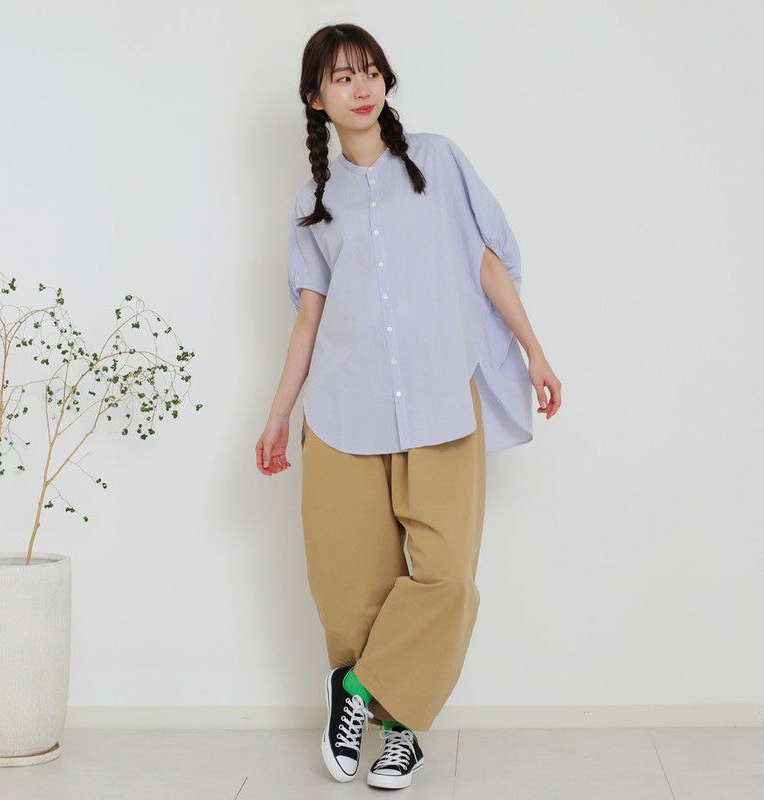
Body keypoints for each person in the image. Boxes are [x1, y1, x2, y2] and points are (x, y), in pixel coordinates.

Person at [256, 23, 562, 790]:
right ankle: (399, 736)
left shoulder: (437, 160)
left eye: (370, 72)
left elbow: (487, 262)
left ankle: (357, 691)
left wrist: (534, 349)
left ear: (385, 81)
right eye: (342, 77)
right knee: (349, 592)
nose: (361, 87)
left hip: (440, 399)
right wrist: (277, 414)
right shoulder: (313, 201)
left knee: (447, 579)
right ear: (315, 98)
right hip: (342, 408)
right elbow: (309, 317)